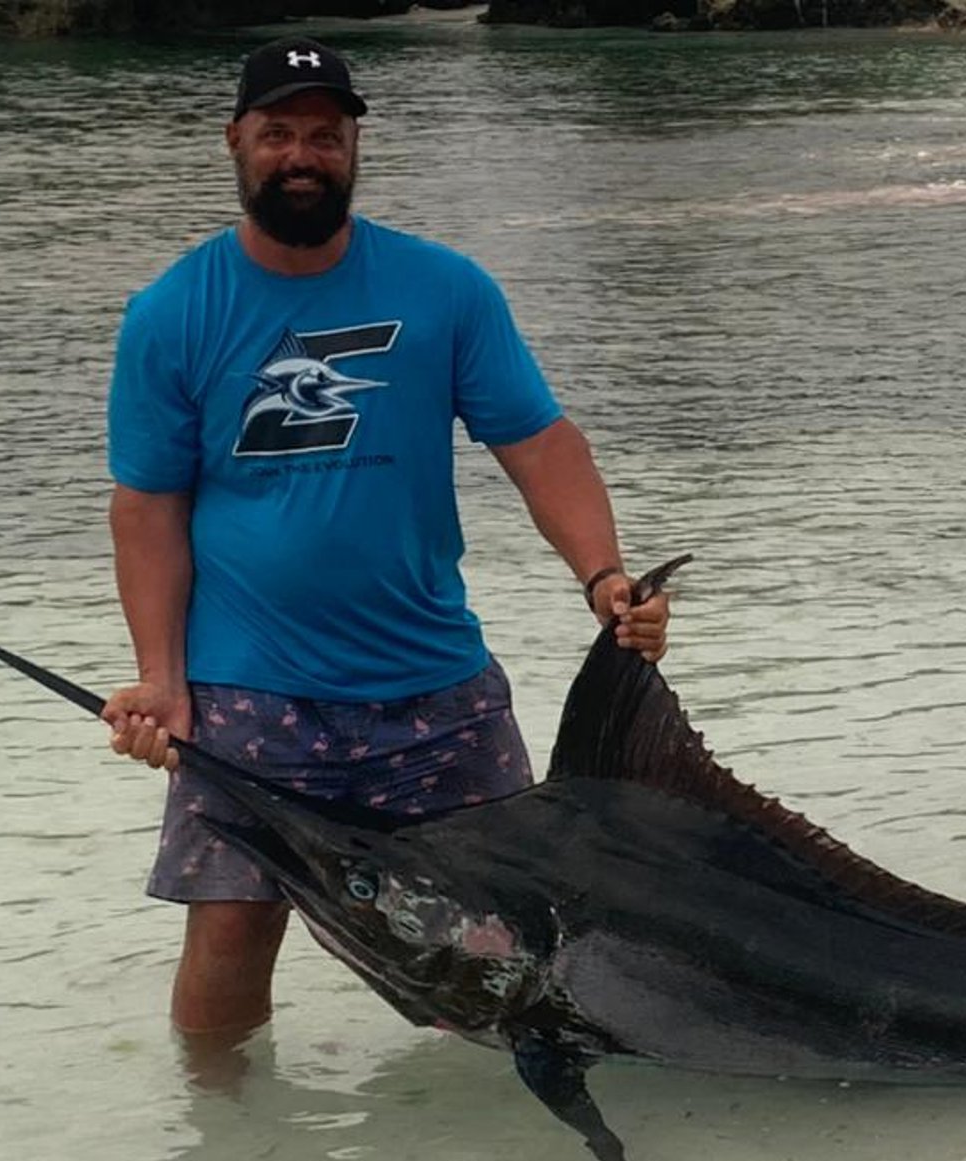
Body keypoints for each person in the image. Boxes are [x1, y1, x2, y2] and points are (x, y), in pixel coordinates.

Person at [101, 37, 669, 1042]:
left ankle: (480, 1150)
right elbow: (149, 509)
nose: (302, 155)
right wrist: (162, 679)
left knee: (509, 938)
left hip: (431, 684)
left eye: (326, 134)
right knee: (230, 932)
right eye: (279, 133)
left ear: (355, 145)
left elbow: (538, 444)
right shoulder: (172, 314)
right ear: (236, 141)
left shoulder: (445, 290)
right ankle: (220, 1157)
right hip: (249, 689)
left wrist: (604, 575)